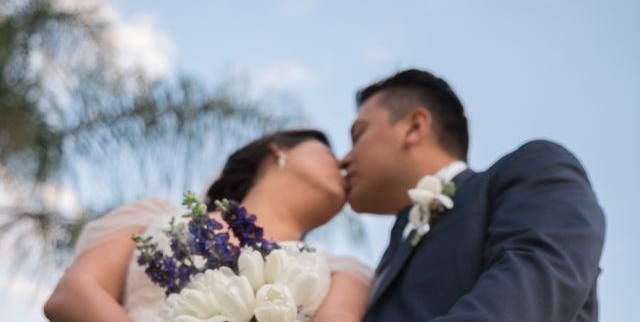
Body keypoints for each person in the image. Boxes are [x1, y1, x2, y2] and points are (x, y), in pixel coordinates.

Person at [341, 69, 606, 321]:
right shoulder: (384, 261)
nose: (344, 159)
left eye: (358, 135)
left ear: (414, 127)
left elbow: (533, 291)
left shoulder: (532, 170)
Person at [44, 129, 372, 322]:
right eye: (330, 151)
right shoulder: (155, 217)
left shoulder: (344, 272)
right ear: (279, 151)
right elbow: (71, 294)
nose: (344, 162)